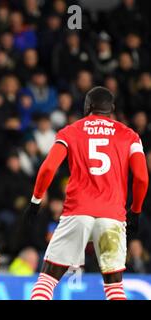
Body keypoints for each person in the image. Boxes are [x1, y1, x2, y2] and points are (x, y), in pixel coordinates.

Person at [23, 86, 149, 300]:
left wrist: (35, 201)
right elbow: (142, 177)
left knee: (47, 280)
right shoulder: (130, 136)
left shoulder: (71, 131)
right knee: (114, 288)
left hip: (77, 212)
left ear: (88, 106)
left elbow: (48, 168)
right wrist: (135, 210)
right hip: (112, 216)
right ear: (112, 109)